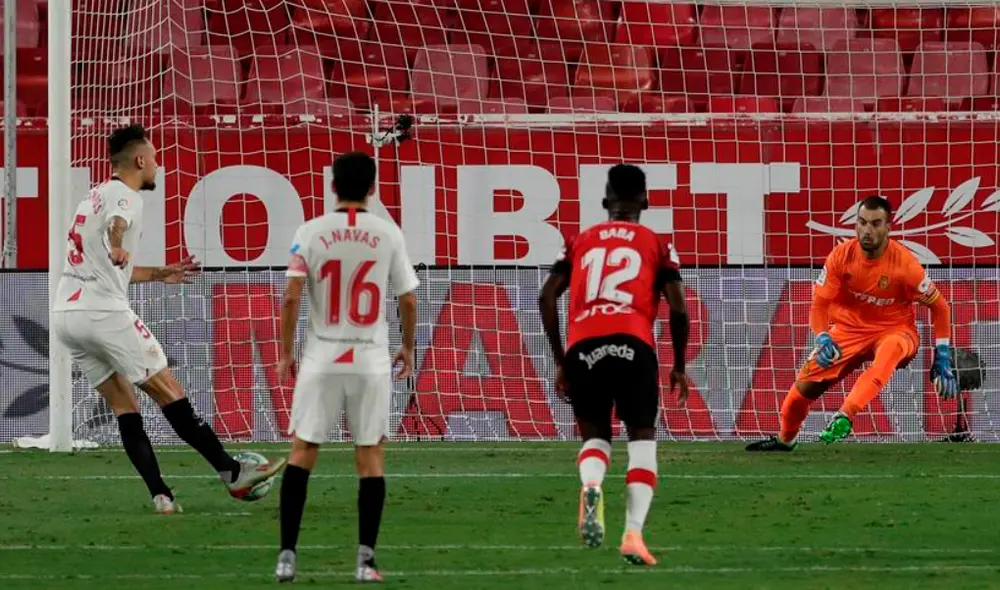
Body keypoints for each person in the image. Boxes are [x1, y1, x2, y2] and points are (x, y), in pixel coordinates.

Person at [51, 124, 286, 514]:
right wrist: (117, 246)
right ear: (140, 161)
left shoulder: (90, 198)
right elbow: (117, 229)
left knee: (125, 406)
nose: (158, 166)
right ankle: (231, 472)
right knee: (168, 390)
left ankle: (161, 495)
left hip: (67, 315)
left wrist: (159, 273)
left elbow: (108, 265)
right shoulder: (126, 197)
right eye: (155, 159)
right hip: (103, 312)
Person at [274, 151, 419, 583]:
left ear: (332, 186)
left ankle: (286, 556)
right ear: (372, 189)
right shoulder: (388, 233)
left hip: (321, 359)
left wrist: (285, 352)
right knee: (369, 459)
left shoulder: (311, 231)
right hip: (369, 360)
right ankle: (365, 561)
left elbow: (291, 296)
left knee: (303, 453)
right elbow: (408, 298)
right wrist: (408, 347)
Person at [539, 163, 690, 566]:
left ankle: (591, 483)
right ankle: (633, 535)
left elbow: (546, 296)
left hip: (584, 346)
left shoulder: (579, 241)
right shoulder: (658, 243)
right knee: (641, 439)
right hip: (633, 345)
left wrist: (560, 360)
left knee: (595, 436)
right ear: (645, 201)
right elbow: (677, 308)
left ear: (606, 202)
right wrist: (677, 363)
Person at [747, 195, 958, 451]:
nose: (867, 230)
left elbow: (941, 307)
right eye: (862, 222)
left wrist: (943, 353)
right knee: (798, 395)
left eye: (876, 224)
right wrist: (822, 337)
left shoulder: (905, 266)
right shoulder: (841, 256)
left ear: (888, 227)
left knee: (890, 350)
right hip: (848, 331)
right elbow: (819, 304)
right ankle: (785, 440)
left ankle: (845, 415)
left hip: (896, 330)